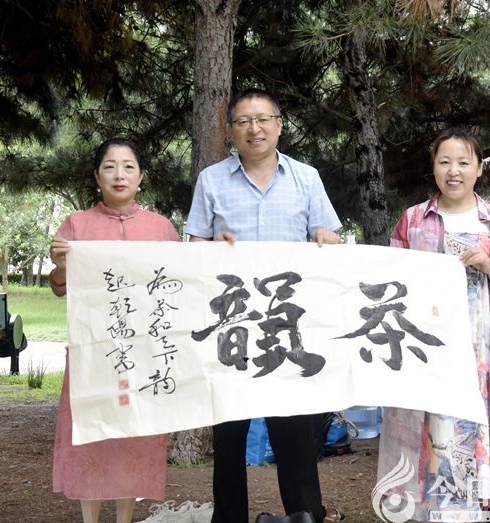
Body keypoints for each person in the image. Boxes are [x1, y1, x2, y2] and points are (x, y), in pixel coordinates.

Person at [185, 88, 344, 523]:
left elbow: (328, 238)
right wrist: (212, 246)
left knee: (294, 431)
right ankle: (229, 517)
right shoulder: (212, 180)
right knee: (229, 434)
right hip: (232, 324)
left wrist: (326, 240)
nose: (253, 129)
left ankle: (305, 513)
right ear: (230, 130)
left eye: (262, 119)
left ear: (279, 124)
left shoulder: (306, 178)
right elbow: (193, 247)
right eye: (243, 121)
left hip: (286, 328)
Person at [377, 128, 490, 520]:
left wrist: (488, 264)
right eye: (444, 162)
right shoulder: (413, 220)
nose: (453, 171)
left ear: (479, 168)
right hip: (424, 346)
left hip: (477, 351)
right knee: (427, 428)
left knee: (470, 426)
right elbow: (390, 277)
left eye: (463, 162)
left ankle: (464, 510)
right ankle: (427, 510)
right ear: (434, 167)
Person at [49, 137, 181, 523]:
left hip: (144, 355)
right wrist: (61, 266)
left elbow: (179, 283)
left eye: (128, 166)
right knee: (90, 434)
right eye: (109, 166)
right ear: (97, 177)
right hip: (93, 353)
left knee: (135, 436)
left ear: (141, 177)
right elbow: (60, 287)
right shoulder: (76, 225)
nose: (119, 174)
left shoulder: (161, 228)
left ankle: (125, 518)